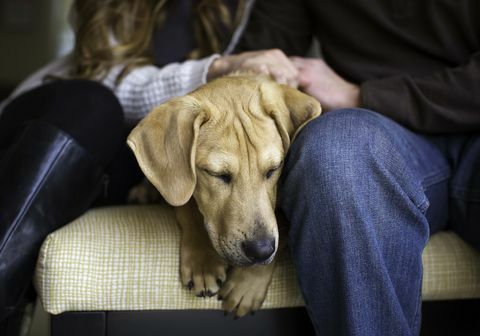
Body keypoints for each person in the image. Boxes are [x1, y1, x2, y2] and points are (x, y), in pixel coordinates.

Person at [0, 0, 301, 331]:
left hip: (136, 159)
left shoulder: (256, 8)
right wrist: (214, 70)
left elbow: (247, 139)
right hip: (51, 131)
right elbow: (102, 77)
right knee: (94, 104)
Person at [234, 1, 480, 335]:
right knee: (336, 155)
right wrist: (263, 69)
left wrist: (360, 95)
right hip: (376, 137)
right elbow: (257, 66)